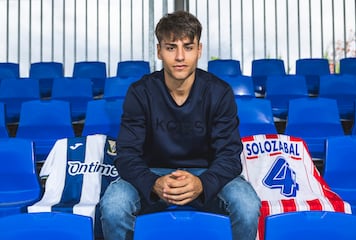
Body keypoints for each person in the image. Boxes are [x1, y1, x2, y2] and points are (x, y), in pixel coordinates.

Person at [100, 10, 261, 240]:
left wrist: (202, 183)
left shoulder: (219, 92)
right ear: (159, 51)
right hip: (152, 172)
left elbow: (230, 156)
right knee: (113, 205)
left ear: (199, 50)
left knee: (247, 205)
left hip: (206, 172)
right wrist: (153, 182)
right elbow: (126, 155)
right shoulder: (140, 92)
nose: (179, 57)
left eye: (188, 47)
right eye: (171, 47)